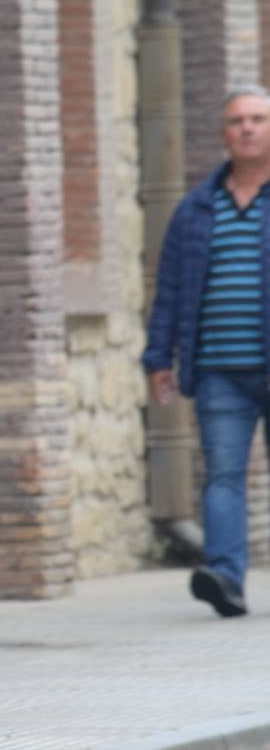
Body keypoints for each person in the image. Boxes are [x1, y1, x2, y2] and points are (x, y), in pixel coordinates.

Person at [144, 85, 270, 618]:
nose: (247, 127)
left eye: (257, 119)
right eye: (237, 120)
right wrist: (158, 358)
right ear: (223, 133)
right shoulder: (196, 208)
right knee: (222, 473)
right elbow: (170, 287)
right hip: (218, 369)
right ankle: (225, 577)